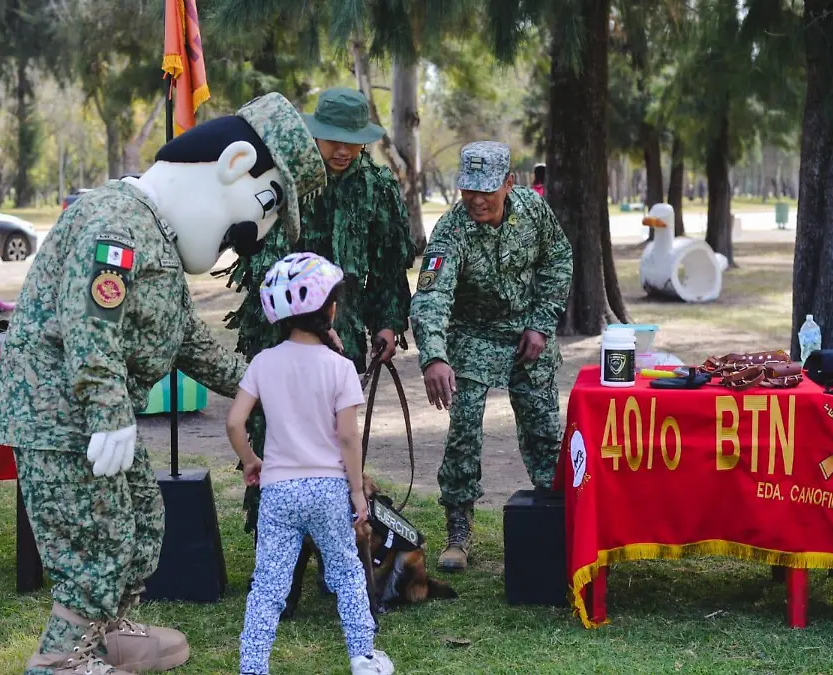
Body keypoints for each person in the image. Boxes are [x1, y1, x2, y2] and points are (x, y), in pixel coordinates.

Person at [0, 92, 327, 675]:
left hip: (94, 415)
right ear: (234, 164)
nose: (254, 233)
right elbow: (90, 322)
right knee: (95, 535)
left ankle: (109, 630)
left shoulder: (155, 236)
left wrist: (265, 382)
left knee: (142, 514)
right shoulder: (116, 222)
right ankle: (62, 657)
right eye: (265, 208)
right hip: (62, 413)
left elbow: (182, 341)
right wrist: (109, 411)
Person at [223, 86, 414, 536]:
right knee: (273, 427)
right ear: (315, 135)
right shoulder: (286, 180)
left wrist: (387, 323)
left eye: (352, 141)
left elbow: (389, 266)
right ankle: (275, 537)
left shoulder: (379, 187)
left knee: (335, 433)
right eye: (332, 140)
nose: (343, 150)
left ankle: (336, 538)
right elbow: (260, 264)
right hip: (278, 331)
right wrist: (301, 325)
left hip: (342, 329)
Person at [227, 252, 395, 675]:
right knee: (346, 573)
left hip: (279, 490)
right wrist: (357, 490)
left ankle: (253, 666)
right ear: (331, 310)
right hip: (327, 489)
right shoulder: (339, 368)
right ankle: (362, 657)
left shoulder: (263, 364)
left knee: (268, 584)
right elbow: (348, 437)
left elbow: (234, 422)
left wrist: (251, 461)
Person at [409, 141, 573, 572]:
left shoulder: (534, 212)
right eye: (468, 190)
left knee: (544, 427)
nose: (477, 200)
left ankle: (554, 514)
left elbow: (559, 259)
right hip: (473, 336)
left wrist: (541, 322)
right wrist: (434, 357)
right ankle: (458, 530)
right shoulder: (451, 229)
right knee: (463, 429)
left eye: (486, 190)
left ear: (508, 183)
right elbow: (432, 297)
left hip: (527, 333)